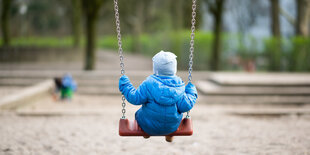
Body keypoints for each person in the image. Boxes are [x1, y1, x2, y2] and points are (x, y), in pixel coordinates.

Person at [119, 51, 198, 142]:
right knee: (173, 116)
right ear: (174, 69)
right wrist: (191, 90)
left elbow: (135, 98)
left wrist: (125, 85)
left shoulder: (148, 84)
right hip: (171, 126)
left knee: (139, 114)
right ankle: (169, 135)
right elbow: (186, 105)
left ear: (155, 68)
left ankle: (146, 133)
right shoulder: (179, 86)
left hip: (147, 124)